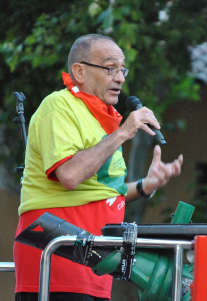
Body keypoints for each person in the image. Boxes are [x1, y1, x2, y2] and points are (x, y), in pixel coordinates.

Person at [13, 34, 183, 301]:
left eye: (121, 69)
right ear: (79, 71)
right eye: (109, 68)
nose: (120, 77)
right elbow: (69, 175)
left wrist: (145, 185)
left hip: (94, 266)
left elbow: (100, 190)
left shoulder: (100, 119)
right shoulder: (58, 106)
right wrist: (124, 132)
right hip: (57, 261)